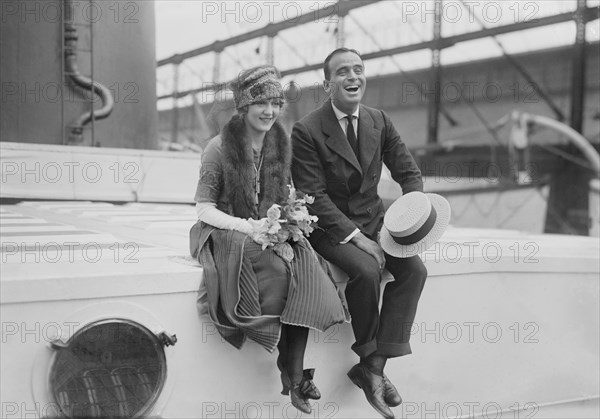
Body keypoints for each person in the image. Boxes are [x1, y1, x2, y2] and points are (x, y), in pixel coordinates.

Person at [191, 65, 349, 415]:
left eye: (276, 103)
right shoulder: (218, 149)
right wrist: (249, 228)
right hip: (226, 229)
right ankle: (293, 374)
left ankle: (292, 370)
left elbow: (282, 192)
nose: (270, 111)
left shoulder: (280, 143)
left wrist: (292, 215)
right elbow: (203, 209)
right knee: (278, 269)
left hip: (269, 225)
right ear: (243, 107)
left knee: (307, 265)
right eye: (261, 103)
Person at [291, 48, 428, 419]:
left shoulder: (378, 120)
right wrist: (358, 238)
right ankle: (369, 358)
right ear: (327, 84)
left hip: (376, 223)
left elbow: (409, 174)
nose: (353, 77)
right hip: (329, 228)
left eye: (358, 69)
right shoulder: (306, 130)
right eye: (342, 72)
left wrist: (407, 216)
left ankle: (375, 364)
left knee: (415, 271)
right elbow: (313, 197)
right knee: (365, 271)